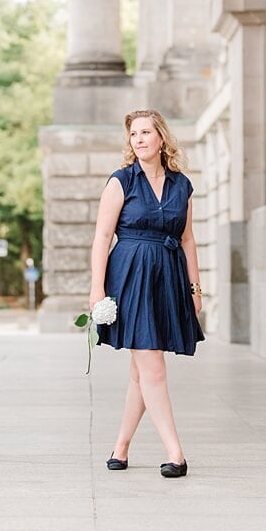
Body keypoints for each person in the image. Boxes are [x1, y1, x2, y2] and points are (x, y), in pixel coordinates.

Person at [89, 108, 205, 479]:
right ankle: (176, 452)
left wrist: (195, 287)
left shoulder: (182, 186)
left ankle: (121, 446)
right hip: (131, 278)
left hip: (167, 277)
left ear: (161, 139)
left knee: (141, 373)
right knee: (153, 365)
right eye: (133, 134)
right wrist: (96, 289)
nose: (138, 139)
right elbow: (103, 238)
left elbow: (187, 239)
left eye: (145, 133)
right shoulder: (121, 182)